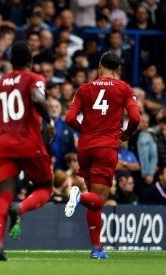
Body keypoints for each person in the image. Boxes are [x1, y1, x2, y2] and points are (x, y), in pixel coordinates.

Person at [0, 41, 55, 261]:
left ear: (11, 61)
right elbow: (36, 98)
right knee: (45, 187)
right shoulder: (34, 78)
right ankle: (21, 208)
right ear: (31, 62)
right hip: (30, 144)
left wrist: (3, 124)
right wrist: (48, 121)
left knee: (3, 196)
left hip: (5, 146)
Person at [64, 50, 141, 259]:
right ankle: (78, 196)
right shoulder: (124, 88)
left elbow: (69, 117)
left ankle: (97, 248)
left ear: (99, 66)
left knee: (94, 202)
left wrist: (85, 131)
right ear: (117, 69)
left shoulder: (85, 88)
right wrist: (125, 134)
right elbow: (135, 117)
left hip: (85, 148)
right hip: (106, 148)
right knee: (98, 200)